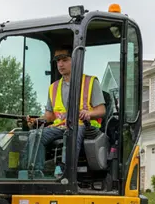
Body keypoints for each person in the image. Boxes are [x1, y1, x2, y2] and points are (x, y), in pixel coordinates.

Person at [32, 48, 105, 178]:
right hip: (60, 126)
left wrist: (88, 113)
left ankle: (65, 173)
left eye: (65, 60)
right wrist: (36, 120)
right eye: (58, 61)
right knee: (35, 135)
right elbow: (50, 116)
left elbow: (101, 110)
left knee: (71, 133)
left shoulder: (90, 82)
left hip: (83, 125)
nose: (60, 64)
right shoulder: (53, 87)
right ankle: (37, 173)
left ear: (75, 61)